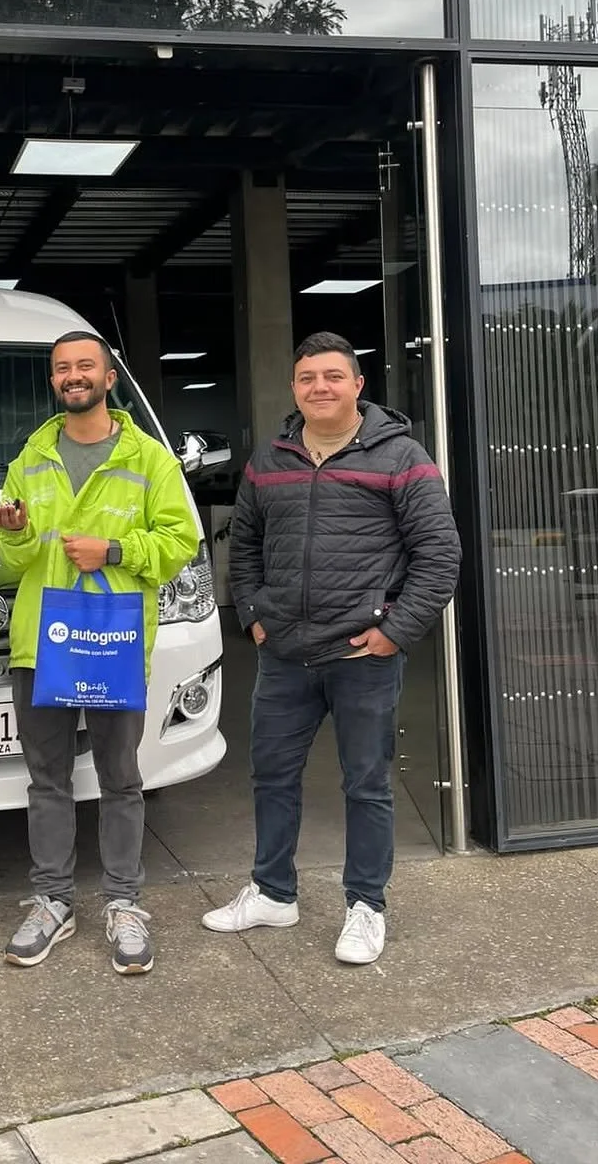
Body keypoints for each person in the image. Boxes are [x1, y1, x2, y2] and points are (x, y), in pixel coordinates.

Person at [203, 331, 460, 965]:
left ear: (357, 385)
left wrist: (393, 632)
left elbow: (439, 555)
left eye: (332, 376)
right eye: (307, 377)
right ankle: (272, 892)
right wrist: (257, 615)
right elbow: (247, 546)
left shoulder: (401, 457)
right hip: (284, 656)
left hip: (361, 658)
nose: (320, 387)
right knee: (272, 778)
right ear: (294, 388)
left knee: (366, 784)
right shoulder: (271, 458)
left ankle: (366, 906)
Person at [0, 331, 198, 975]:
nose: (73, 376)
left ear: (109, 377)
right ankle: (51, 900)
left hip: (113, 638)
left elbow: (179, 540)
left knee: (120, 779)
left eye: (85, 367)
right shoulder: (32, 456)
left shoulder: (149, 459)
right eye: (62, 369)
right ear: (54, 382)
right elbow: (16, 562)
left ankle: (124, 902)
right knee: (46, 779)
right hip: (42, 644)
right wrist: (13, 533)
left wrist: (115, 552)